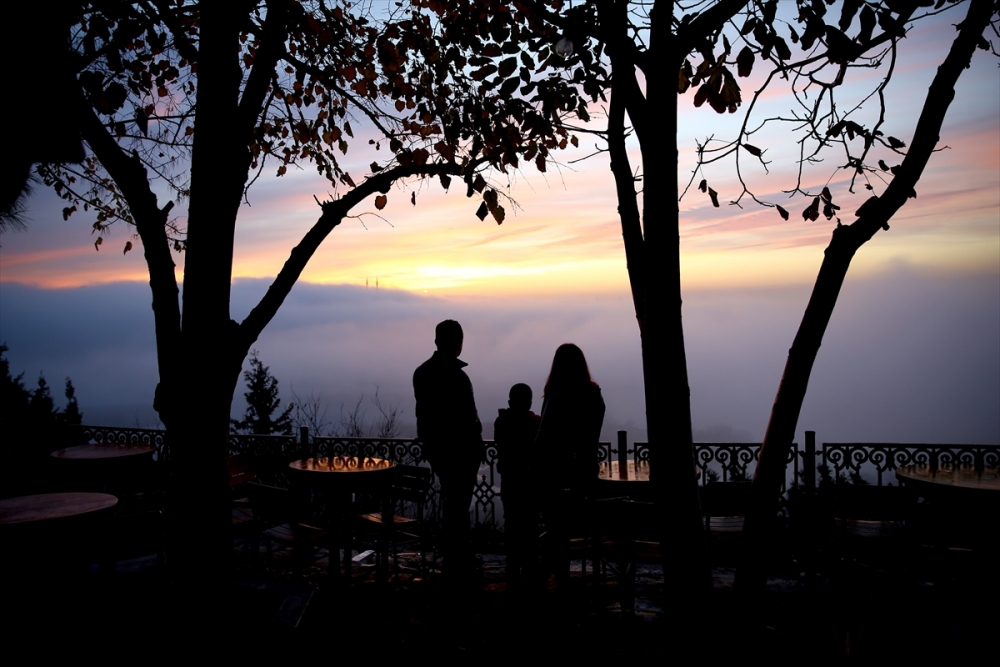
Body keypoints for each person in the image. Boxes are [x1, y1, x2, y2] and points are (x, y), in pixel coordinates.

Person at [413, 319, 484, 579]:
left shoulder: (422, 372)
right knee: (459, 505)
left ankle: (454, 554)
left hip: (438, 450)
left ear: (436, 341)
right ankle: (458, 557)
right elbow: (466, 419)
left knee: (452, 502)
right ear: (458, 344)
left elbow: (423, 414)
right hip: (461, 452)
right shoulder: (457, 376)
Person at [534, 343, 605, 583]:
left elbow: (543, 439)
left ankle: (555, 576)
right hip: (585, 472)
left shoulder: (555, 395)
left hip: (556, 472)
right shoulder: (594, 394)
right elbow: (593, 434)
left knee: (556, 528)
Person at [494, 383, 541, 584]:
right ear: (530, 403)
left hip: (510, 480)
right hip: (530, 481)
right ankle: (530, 566)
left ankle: (513, 564)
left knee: (512, 521)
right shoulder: (536, 423)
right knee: (530, 523)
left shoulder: (501, 422)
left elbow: (501, 445)